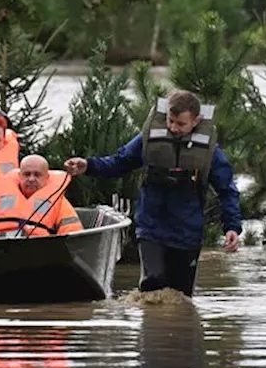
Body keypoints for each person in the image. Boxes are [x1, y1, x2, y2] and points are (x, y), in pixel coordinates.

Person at [64, 89, 242, 296]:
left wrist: (232, 227)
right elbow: (121, 162)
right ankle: (151, 324)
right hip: (151, 226)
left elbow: (227, 191)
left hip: (187, 231)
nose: (173, 128)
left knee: (181, 296)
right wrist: (87, 165)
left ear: (197, 120)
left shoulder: (210, 152)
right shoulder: (149, 139)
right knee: (152, 282)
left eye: (181, 124)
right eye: (170, 121)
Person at [0, 155, 82, 238]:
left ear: (47, 178)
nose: (31, 179)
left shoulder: (59, 203)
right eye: (27, 174)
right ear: (19, 176)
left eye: (37, 175)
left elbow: (73, 239)